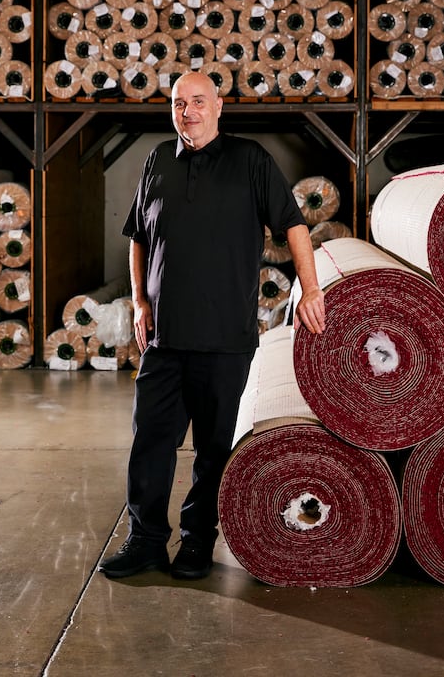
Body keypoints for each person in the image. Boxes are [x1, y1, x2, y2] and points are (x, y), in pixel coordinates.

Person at [99, 71, 326, 581]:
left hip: (225, 341)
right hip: (163, 339)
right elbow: (137, 235)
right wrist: (138, 301)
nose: (188, 112)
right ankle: (146, 541)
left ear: (219, 107)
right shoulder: (157, 160)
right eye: (179, 104)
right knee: (150, 444)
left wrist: (310, 290)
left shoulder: (250, 161)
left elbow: (293, 225)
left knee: (213, 450)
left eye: (198, 102)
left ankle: (199, 542)